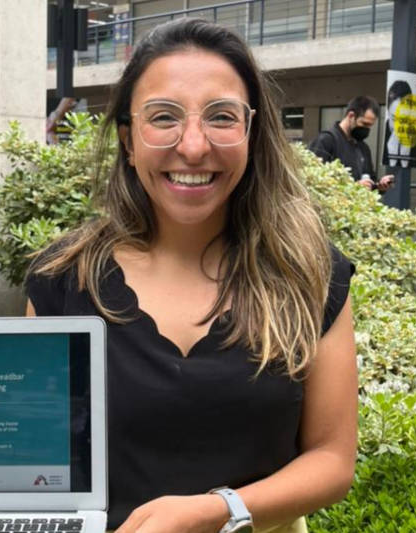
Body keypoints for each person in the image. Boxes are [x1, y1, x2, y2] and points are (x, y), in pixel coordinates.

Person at [26, 18, 357, 533]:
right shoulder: (62, 281)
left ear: (251, 133)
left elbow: (332, 459)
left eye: (222, 116)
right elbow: (37, 462)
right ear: (129, 141)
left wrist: (215, 511)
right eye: (164, 117)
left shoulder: (308, 271)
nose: (195, 146)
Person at [308, 96, 394, 193]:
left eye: (370, 126)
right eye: (364, 124)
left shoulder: (363, 148)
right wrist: (354, 187)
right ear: (351, 116)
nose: (366, 129)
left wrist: (379, 186)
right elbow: (313, 182)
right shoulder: (326, 140)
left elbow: (370, 179)